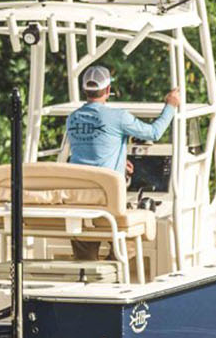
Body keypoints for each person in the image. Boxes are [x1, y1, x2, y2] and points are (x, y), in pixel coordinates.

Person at [63, 65, 180, 263]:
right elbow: (154, 133)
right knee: (130, 244)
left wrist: (119, 158)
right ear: (108, 90)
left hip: (80, 200)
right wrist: (171, 105)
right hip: (109, 201)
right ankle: (111, 268)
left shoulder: (72, 119)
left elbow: (89, 148)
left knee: (85, 253)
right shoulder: (118, 117)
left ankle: (93, 273)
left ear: (85, 90)